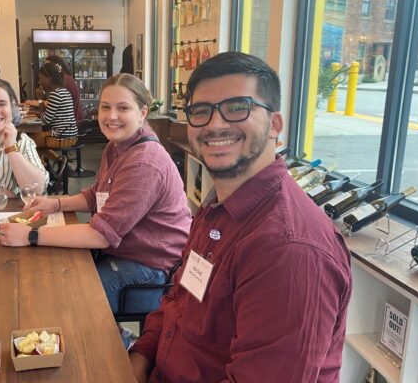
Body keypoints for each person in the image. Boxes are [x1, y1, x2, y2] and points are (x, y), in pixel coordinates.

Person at [128, 52, 352, 383]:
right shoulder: (217, 208)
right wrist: (139, 357)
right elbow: (179, 298)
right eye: (201, 112)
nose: (216, 124)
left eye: (237, 108)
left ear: (275, 124)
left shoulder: (289, 249)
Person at [0, 73, 191, 324]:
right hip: (123, 252)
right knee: (52, 275)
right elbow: (97, 195)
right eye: (105, 107)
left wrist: (30, 235)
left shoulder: (144, 162)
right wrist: (55, 203)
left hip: (150, 271)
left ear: (142, 112)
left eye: (123, 108)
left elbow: (100, 235)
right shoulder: (117, 146)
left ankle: (123, 348)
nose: (111, 116)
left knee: (61, 301)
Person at [25, 63, 78, 151]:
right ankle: (54, 161)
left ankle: (41, 163)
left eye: (41, 78)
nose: (39, 82)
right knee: (34, 141)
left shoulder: (55, 94)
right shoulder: (64, 91)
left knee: (27, 141)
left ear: (49, 79)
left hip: (60, 136)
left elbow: (46, 121)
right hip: (72, 135)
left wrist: (40, 100)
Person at [45, 55, 85, 123]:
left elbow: (53, 104)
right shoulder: (63, 79)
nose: (45, 69)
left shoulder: (65, 80)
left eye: (47, 66)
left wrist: (37, 102)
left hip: (73, 123)